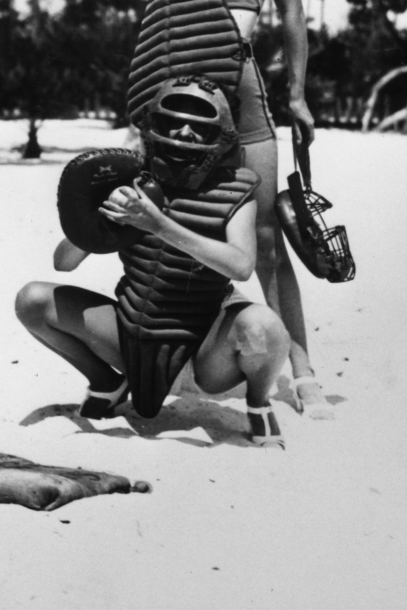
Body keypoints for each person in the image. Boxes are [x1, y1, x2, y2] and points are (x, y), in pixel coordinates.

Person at [134, 0, 331, 417]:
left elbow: (293, 11)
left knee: (266, 239)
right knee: (183, 230)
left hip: (241, 99)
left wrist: (297, 92)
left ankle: (304, 373)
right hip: (182, 117)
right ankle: (196, 360)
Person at [17, 76, 291, 448]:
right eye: (174, 121)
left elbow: (241, 265)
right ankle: (107, 381)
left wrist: (157, 224)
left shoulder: (236, 190)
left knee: (265, 328)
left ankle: (257, 402)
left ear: (220, 136)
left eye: (199, 125)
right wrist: (102, 219)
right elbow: (63, 264)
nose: (184, 132)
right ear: (153, 126)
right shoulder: (127, 179)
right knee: (32, 300)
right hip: (134, 328)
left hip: (208, 345)